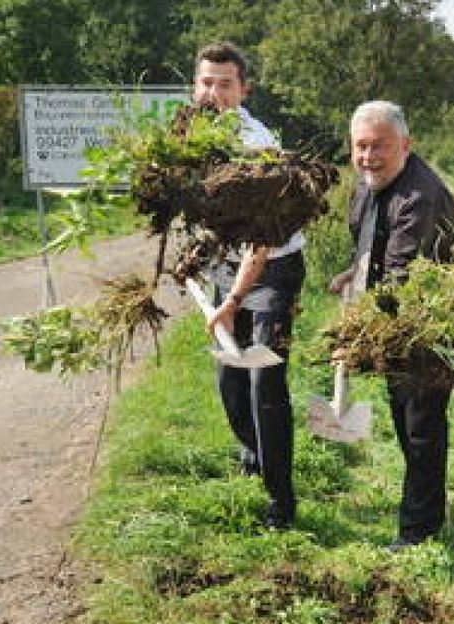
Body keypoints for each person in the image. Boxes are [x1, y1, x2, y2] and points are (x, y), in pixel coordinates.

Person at [328, 100, 454, 552]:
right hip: (397, 323)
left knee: (422, 426)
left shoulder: (418, 195)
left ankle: (418, 533)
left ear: (405, 145)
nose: (368, 156)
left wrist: (355, 337)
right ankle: (427, 516)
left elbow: (401, 275)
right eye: (361, 146)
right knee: (408, 421)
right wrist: (355, 271)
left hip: (430, 328)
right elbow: (373, 246)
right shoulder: (370, 185)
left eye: (380, 146)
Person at [195, 42, 304, 530]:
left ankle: (281, 501)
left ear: (244, 89)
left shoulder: (254, 145)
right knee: (230, 383)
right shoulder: (195, 136)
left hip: (272, 270)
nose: (213, 93)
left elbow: (261, 242)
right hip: (229, 265)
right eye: (206, 82)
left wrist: (233, 301)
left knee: (264, 383)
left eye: (224, 84)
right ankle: (254, 455)